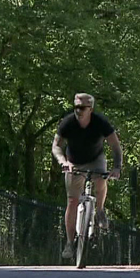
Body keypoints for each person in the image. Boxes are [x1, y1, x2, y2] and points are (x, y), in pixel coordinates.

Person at [51, 93, 123, 259]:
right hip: (74, 162)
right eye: (76, 107)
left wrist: (117, 168)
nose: (78, 111)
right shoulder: (68, 122)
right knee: (72, 200)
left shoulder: (101, 122)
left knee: (101, 179)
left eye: (82, 108)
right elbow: (56, 146)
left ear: (90, 109)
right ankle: (70, 243)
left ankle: (99, 210)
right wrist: (63, 162)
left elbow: (116, 147)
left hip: (95, 159)